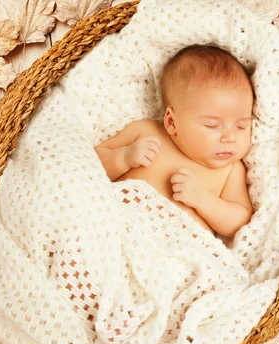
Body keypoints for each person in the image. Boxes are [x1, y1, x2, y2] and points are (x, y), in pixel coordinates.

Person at [95, 45, 254, 238]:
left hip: (176, 253)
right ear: (171, 121)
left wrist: (203, 199)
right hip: (116, 229)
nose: (230, 137)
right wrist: (123, 157)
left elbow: (240, 223)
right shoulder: (145, 132)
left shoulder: (230, 170)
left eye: (241, 126)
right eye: (212, 125)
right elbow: (91, 164)